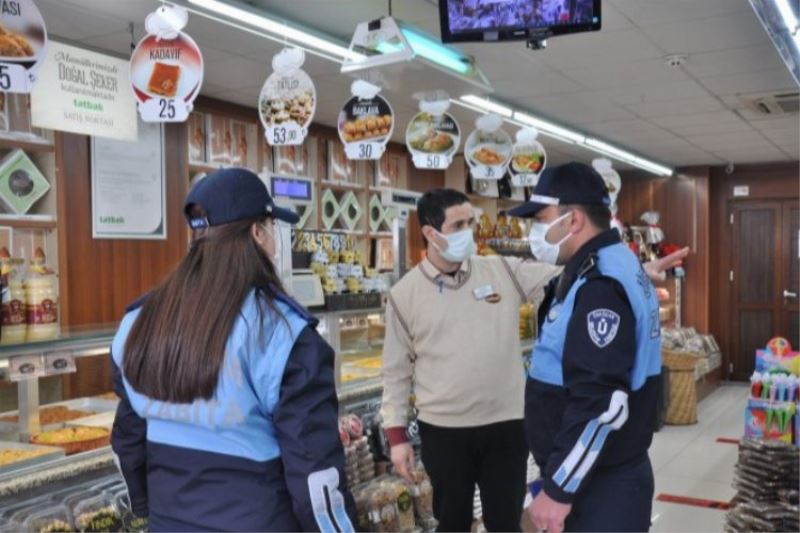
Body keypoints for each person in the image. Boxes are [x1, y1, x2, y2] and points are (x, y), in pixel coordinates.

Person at [381, 188, 684, 532]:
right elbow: (395, 372)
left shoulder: (501, 270)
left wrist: (636, 270)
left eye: (471, 222)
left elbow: (577, 279)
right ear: (429, 233)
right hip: (444, 430)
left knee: (507, 520)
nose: (468, 232)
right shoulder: (404, 295)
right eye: (458, 225)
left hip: (506, 425)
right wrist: (397, 436)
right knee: (452, 521)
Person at [111, 168, 355, 533]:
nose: (274, 240)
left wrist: (147, 507)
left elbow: (127, 439)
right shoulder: (281, 330)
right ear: (257, 232)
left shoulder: (139, 321)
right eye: (271, 228)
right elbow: (314, 470)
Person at [509, 163, 669, 533]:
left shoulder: (600, 286)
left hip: (599, 486)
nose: (535, 230)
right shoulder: (615, 262)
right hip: (600, 472)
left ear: (574, 220)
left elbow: (600, 403)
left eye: (541, 218)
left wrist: (560, 488)